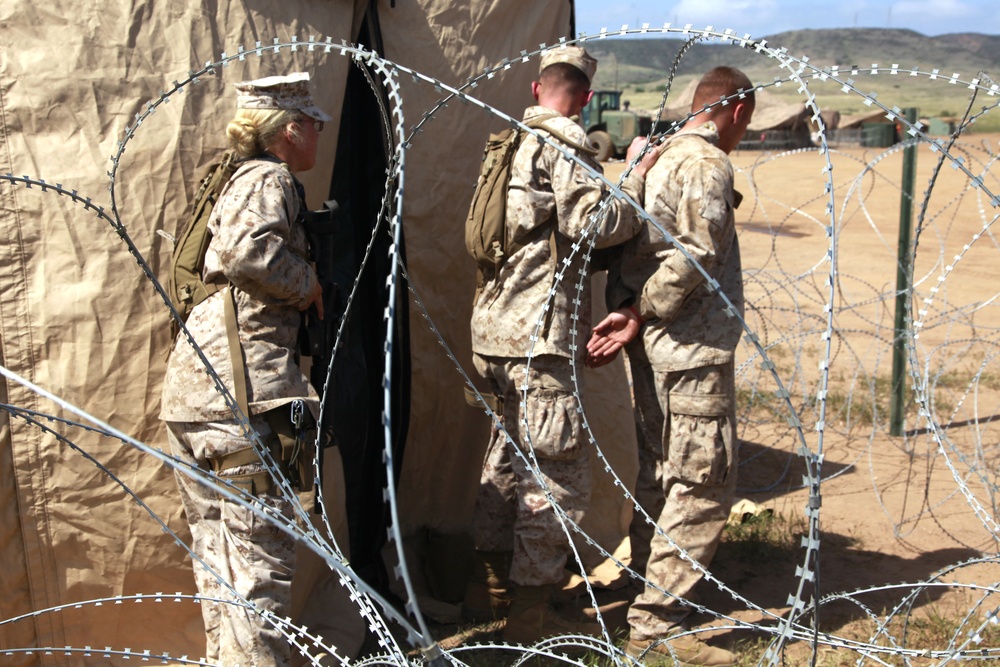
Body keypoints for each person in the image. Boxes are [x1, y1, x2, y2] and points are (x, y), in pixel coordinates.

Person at [465, 45, 660, 644]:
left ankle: (491, 591)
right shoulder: (565, 144)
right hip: (539, 340)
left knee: (505, 462)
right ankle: (530, 618)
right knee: (556, 479)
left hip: (494, 334)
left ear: (535, 88)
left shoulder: (508, 145)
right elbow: (592, 225)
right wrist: (633, 175)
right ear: (586, 96)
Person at [586, 66, 756, 666]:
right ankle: (658, 622)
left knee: (662, 467)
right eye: (747, 123)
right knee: (704, 479)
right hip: (688, 343)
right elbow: (700, 253)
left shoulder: (656, 158)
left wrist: (633, 309)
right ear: (734, 112)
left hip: (653, 344)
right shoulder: (707, 165)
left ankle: (643, 581)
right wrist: (641, 309)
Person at [160, 72, 331, 667]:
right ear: (289, 130)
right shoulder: (269, 176)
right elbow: (244, 253)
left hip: (197, 394)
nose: (317, 133)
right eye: (312, 123)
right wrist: (307, 285)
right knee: (257, 571)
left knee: (218, 561)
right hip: (242, 397)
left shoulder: (235, 179)